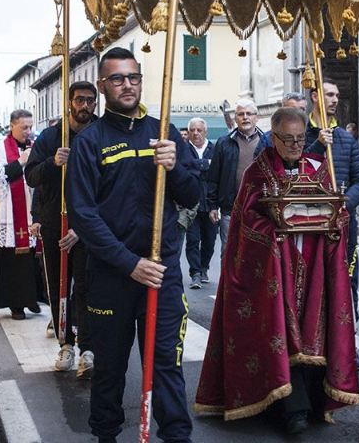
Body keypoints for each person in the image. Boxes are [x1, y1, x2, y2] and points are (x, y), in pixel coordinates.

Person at [195, 107, 359, 433]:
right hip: (273, 270)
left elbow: (335, 210)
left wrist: (337, 220)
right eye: (288, 140)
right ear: (273, 138)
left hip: (313, 269)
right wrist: (273, 232)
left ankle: (311, 400)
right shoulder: (257, 173)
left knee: (312, 329)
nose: (296, 146)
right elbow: (247, 221)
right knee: (280, 329)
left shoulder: (318, 168)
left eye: (300, 139)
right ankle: (291, 408)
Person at [66, 47, 200, 443]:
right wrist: (128, 263)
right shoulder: (90, 142)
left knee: (165, 365)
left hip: (161, 274)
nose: (128, 85)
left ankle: (176, 436)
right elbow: (83, 216)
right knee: (109, 369)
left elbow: (193, 197)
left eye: (134, 77)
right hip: (111, 275)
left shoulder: (165, 133)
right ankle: (104, 435)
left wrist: (176, 168)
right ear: (104, 86)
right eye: (118, 79)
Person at [25, 81, 98, 377]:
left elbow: (109, 185)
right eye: (79, 100)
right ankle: (65, 343)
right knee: (58, 287)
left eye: (90, 101)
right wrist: (53, 163)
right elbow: (31, 176)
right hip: (56, 223)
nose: (84, 106)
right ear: (69, 102)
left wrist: (83, 227)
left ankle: (88, 348)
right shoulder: (51, 136)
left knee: (87, 288)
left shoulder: (100, 134)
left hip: (90, 227)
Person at [306, 81, 359, 369]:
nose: (334, 100)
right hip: (307, 225)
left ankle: (348, 346)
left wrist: (344, 204)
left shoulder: (346, 139)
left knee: (347, 284)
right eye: (329, 94)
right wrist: (318, 144)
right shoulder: (300, 134)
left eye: (337, 96)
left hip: (342, 226)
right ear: (315, 96)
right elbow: (298, 169)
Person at [0, 109, 41, 320]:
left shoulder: (35, 147)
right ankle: (16, 304)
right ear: (12, 126)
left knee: (31, 261)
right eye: (24, 127)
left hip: (30, 212)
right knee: (12, 262)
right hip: (8, 215)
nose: (29, 132)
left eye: (30, 127)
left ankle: (31, 299)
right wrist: (21, 162)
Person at [207, 99, 262, 256]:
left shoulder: (267, 142)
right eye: (241, 114)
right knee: (229, 250)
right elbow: (214, 176)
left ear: (256, 117)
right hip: (230, 208)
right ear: (235, 118)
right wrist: (212, 206)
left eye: (249, 114)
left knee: (256, 252)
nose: (245, 117)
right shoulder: (224, 143)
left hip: (258, 208)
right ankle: (227, 281)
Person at [184, 118, 215, 289]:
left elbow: (218, 170)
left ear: (205, 132)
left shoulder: (214, 148)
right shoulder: (184, 149)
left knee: (209, 240)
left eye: (199, 130)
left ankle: (204, 268)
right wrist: (205, 164)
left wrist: (197, 166)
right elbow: (185, 167)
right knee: (193, 240)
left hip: (210, 203)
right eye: (193, 130)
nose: (196, 133)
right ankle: (195, 273)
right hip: (191, 203)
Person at [252, 92, 307, 157]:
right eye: (292, 110)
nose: (297, 114)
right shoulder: (267, 138)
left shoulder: (313, 134)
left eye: (301, 109)